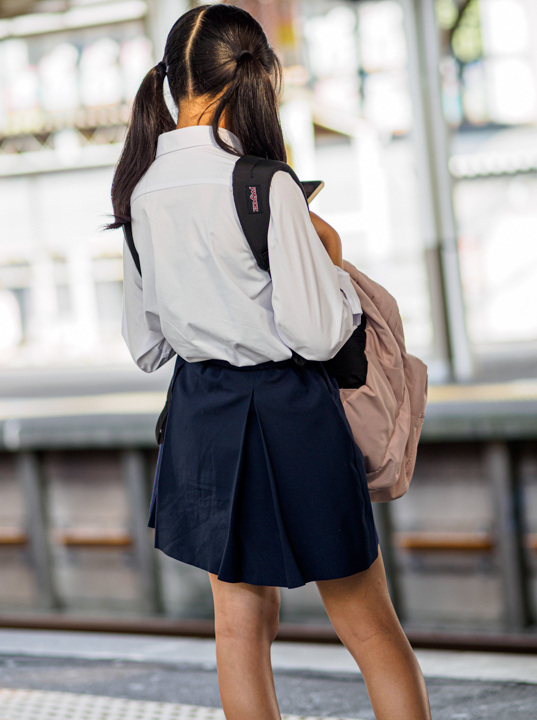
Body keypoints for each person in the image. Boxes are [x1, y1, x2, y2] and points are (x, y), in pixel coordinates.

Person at [108, 4, 432, 719]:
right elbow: (319, 334)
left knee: (239, 628)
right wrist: (334, 259)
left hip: (202, 419)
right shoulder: (264, 184)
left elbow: (146, 345)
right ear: (252, 76)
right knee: (370, 627)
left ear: (174, 80)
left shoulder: (138, 192)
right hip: (292, 414)